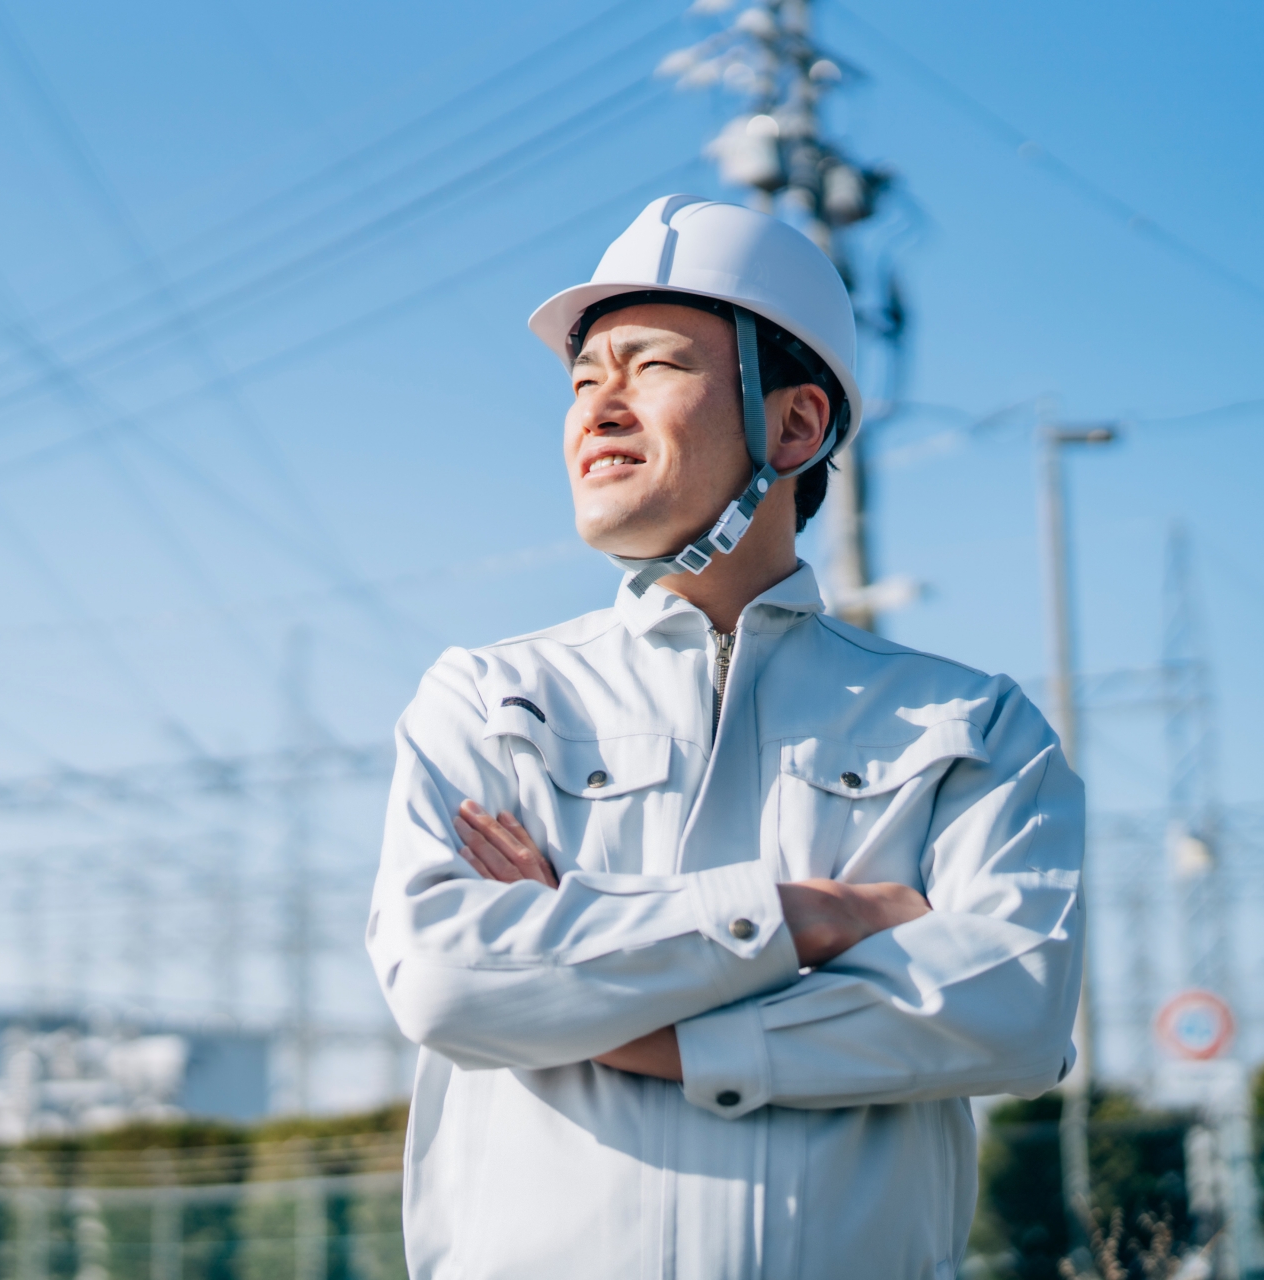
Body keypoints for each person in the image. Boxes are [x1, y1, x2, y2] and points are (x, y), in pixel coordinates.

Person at [365, 195, 1085, 1279]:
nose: (597, 406)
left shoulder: (970, 726)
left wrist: (628, 1022)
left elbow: (1014, 1009)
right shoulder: (489, 698)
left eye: (649, 365)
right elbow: (449, 981)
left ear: (795, 425)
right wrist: (813, 916)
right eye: (581, 378)